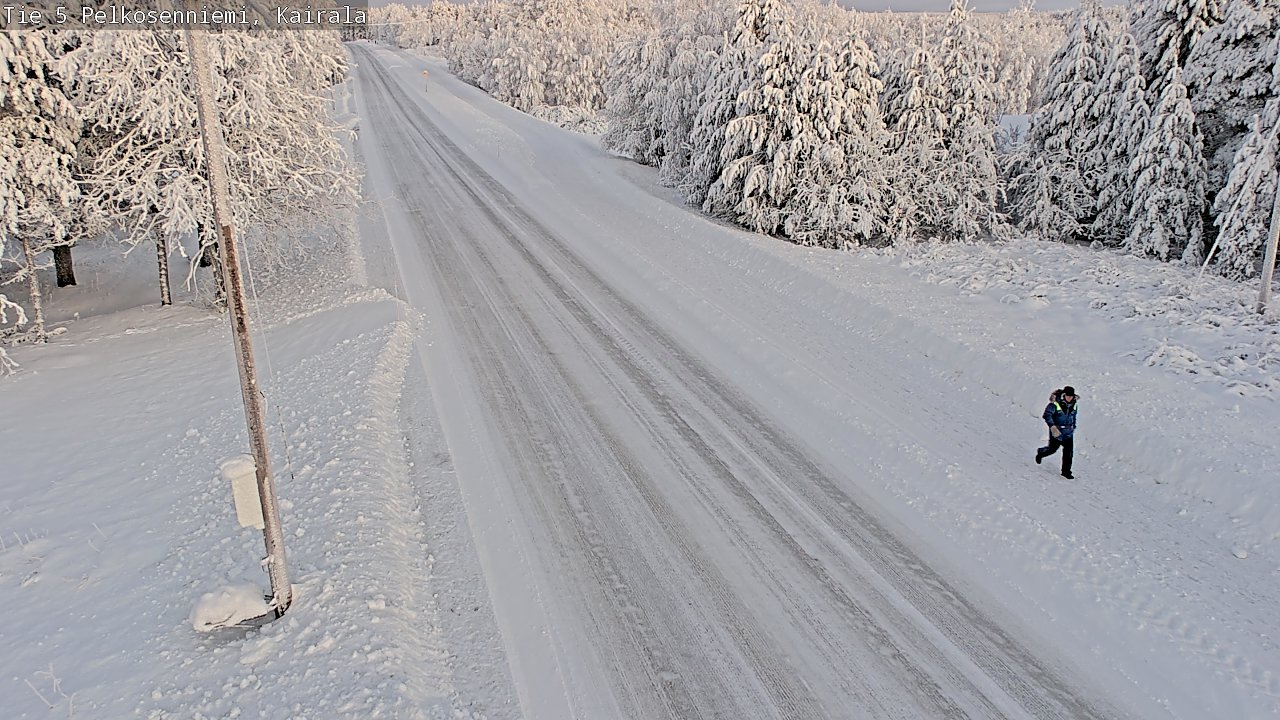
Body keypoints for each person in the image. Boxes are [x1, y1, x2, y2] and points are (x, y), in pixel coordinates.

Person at [1036, 386, 1078, 479]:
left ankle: (1066, 472)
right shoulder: (1055, 403)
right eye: (1068, 396)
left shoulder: (1074, 404)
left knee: (1069, 452)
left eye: (1071, 396)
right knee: (1052, 449)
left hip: (1068, 432)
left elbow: (1074, 416)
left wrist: (1073, 426)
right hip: (1057, 432)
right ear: (1064, 395)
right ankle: (1041, 452)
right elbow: (1047, 415)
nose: (1070, 398)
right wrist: (1052, 427)